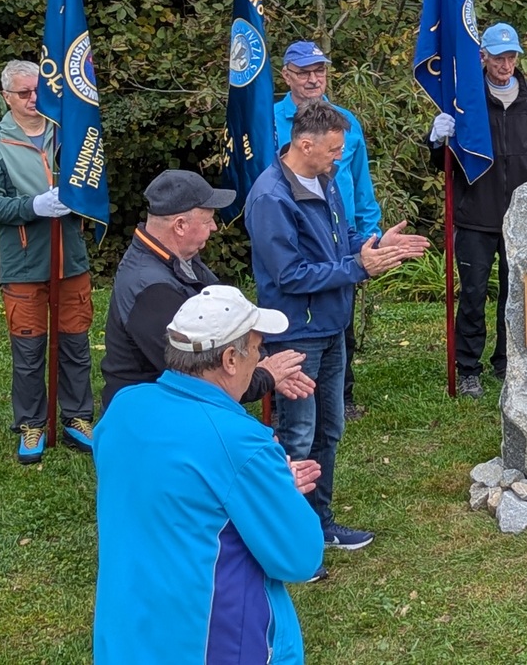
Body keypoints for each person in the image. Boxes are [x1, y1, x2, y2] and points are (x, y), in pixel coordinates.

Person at [93, 286, 323, 664]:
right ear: (230, 359)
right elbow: (300, 557)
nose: (260, 358)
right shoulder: (241, 442)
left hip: (128, 637)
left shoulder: (124, 408)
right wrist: (277, 487)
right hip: (212, 642)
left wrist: (263, 484)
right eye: (257, 348)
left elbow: (175, 491)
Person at [247, 100, 430, 564]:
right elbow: (289, 275)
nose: (339, 157)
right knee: (297, 434)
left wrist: (374, 246)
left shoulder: (325, 180)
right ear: (304, 144)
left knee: (329, 429)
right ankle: (286, 535)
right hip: (297, 334)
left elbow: (340, 241)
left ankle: (319, 523)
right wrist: (358, 267)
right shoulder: (271, 198)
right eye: (333, 149)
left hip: (332, 326)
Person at [99, 168, 314, 409]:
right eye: (207, 220)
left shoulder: (179, 257)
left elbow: (228, 314)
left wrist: (257, 360)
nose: (214, 227)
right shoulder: (151, 289)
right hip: (151, 414)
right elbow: (196, 374)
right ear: (180, 225)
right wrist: (265, 376)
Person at [0, 59, 95, 465]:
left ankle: (77, 417)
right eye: (23, 92)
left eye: (38, 90)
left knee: (75, 344)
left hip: (70, 258)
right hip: (24, 261)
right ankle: (31, 423)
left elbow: (93, 182)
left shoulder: (67, 132)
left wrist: (78, 199)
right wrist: (34, 206)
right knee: (28, 351)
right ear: (6, 97)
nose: (32, 98)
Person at [427, 22, 527, 399]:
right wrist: (437, 139)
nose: (505, 65)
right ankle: (468, 368)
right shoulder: (466, 101)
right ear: (483, 56)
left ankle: (507, 360)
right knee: (473, 294)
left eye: (511, 57)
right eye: (498, 57)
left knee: (516, 295)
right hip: (475, 215)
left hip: (519, 218)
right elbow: (443, 164)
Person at [275, 39, 382, 421]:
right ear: (286, 75)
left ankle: (340, 396)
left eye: (318, 70)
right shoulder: (268, 120)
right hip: (295, 234)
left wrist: (372, 236)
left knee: (340, 320)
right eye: (303, 72)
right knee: (295, 320)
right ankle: (289, 399)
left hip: (342, 234)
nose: (312, 79)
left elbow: (361, 184)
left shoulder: (345, 122)